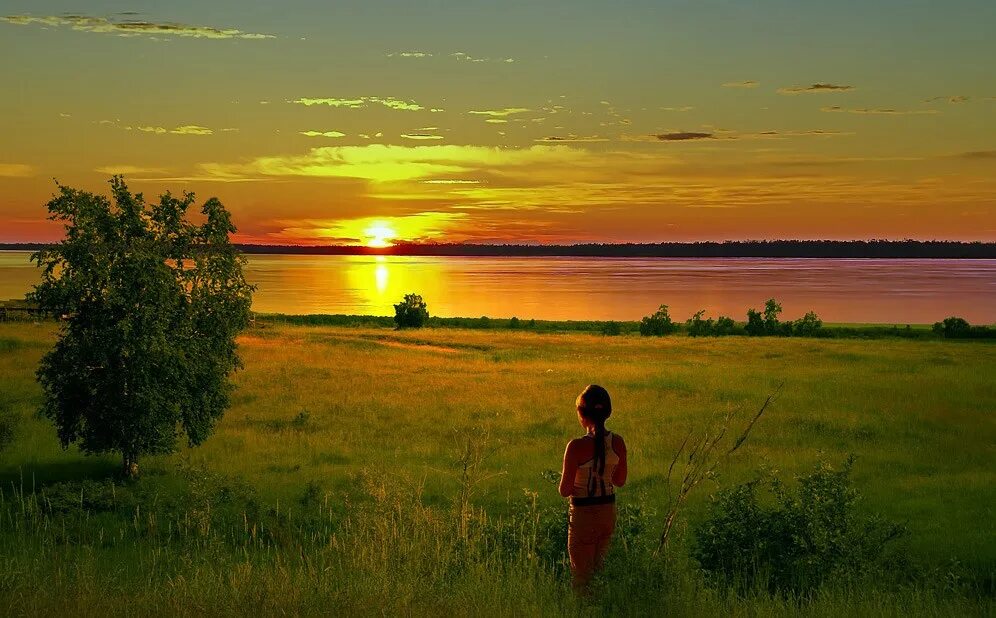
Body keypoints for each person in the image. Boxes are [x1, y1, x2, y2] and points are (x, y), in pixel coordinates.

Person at [558, 384, 628, 592]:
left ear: (582, 415)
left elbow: (564, 489)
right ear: (607, 412)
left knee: (581, 579)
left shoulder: (576, 446)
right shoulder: (618, 442)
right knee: (601, 573)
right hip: (608, 511)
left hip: (583, 514)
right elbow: (620, 481)